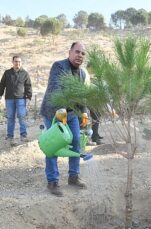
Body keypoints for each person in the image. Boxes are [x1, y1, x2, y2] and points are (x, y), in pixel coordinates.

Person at [40, 42, 89, 197]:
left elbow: (82, 95)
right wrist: (60, 113)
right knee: (53, 145)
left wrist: (85, 113)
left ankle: (73, 176)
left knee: (76, 141)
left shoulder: (81, 73)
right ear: (70, 52)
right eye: (77, 52)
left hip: (72, 113)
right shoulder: (59, 67)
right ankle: (52, 181)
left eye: (83, 53)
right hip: (54, 112)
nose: (80, 55)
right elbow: (55, 89)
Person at [0, 55, 32, 146]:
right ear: (12, 62)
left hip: (21, 99)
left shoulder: (25, 73)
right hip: (9, 99)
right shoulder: (7, 73)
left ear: (21, 63)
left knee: (22, 117)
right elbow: (2, 85)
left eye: (19, 61)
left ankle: (23, 135)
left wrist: (29, 98)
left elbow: (28, 86)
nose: (17, 63)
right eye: (15, 61)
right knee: (10, 118)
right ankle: (10, 136)